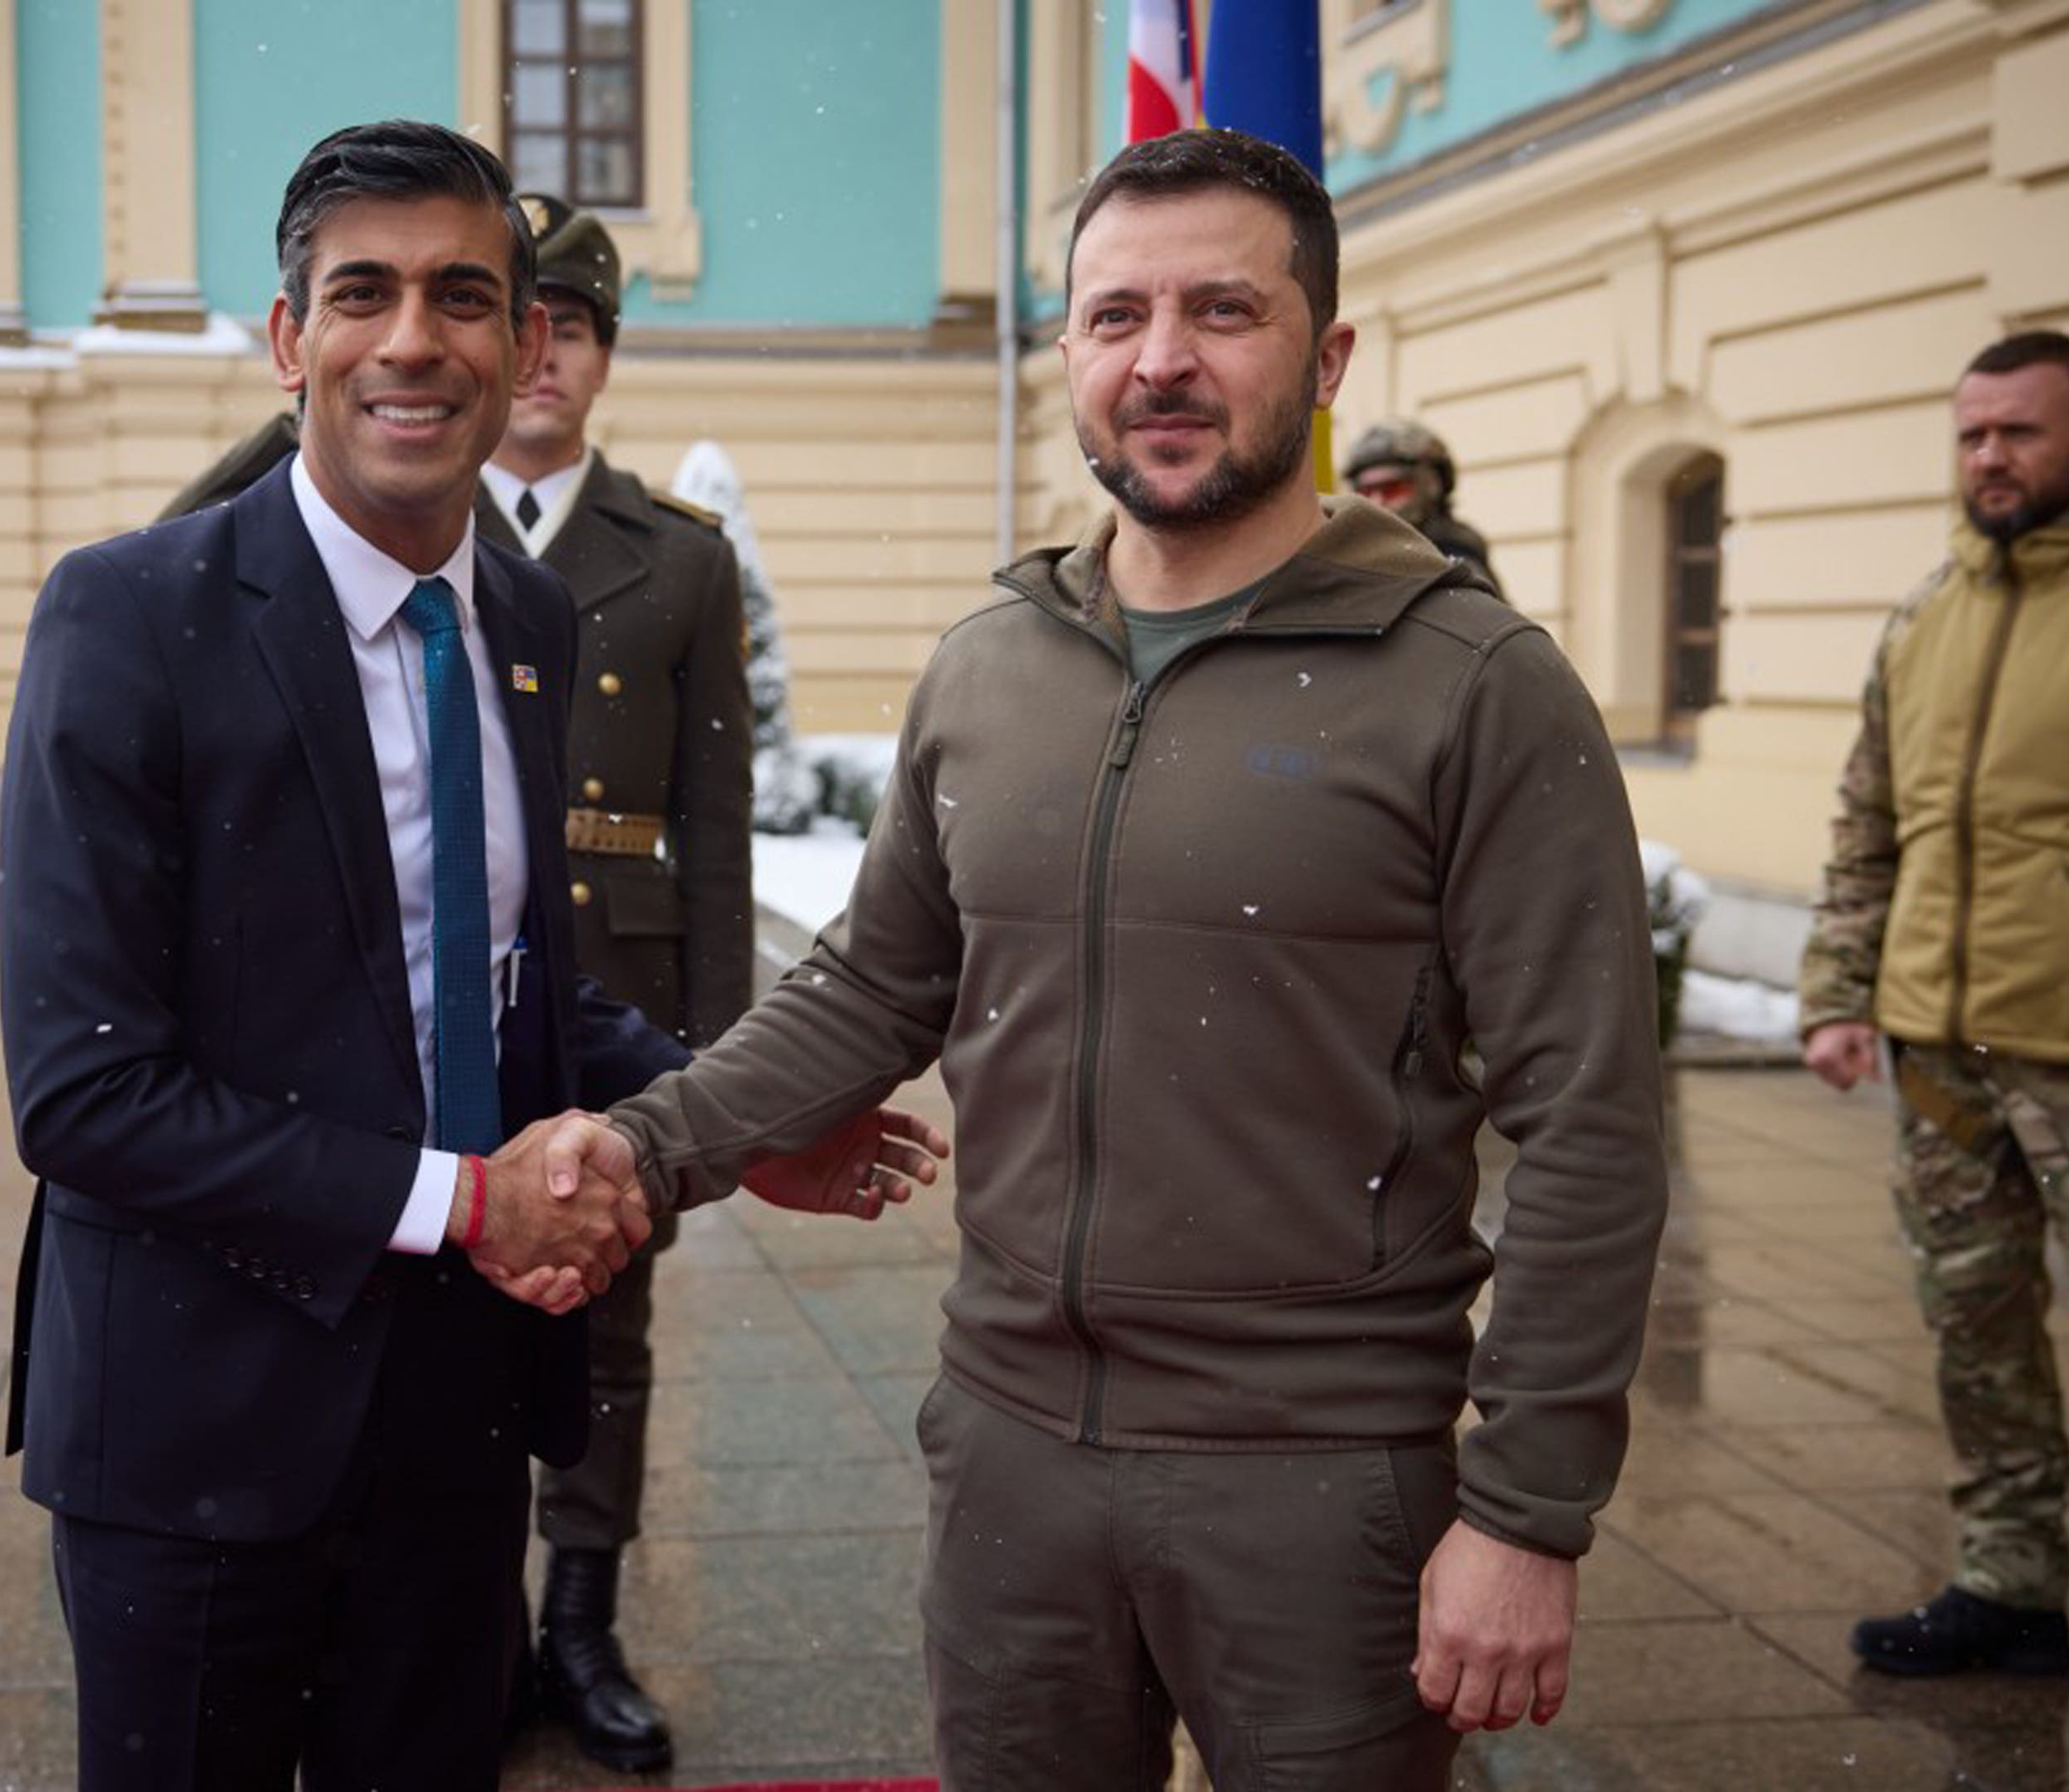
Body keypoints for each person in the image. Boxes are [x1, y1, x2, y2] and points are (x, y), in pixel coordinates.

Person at [580, 129, 1671, 1790]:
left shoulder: (1473, 684)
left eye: (1221, 310)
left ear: (1326, 353)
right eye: (1112, 316)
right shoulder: (990, 666)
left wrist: (1524, 1508)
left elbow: (1589, 1122)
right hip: (1009, 1460)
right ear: (1072, 349)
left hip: (1319, 1479)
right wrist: (639, 1146)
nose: (1159, 359)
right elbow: (873, 984)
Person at [0, 119, 938, 1792]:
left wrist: (736, 1124)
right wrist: (466, 1199)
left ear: (522, 343)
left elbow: (512, 974)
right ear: (291, 341)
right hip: (199, 1420)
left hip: (456, 1406)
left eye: (463, 295)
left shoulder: (521, 616)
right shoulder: (130, 612)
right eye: (362, 294)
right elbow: (87, 1093)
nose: (413, 339)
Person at [1798, 329, 2069, 1680]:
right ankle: (2010, 1583)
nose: (1990, 457)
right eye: (1972, 434)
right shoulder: (1928, 610)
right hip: (1944, 1044)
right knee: (1976, 1328)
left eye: (2020, 432)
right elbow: (1868, 817)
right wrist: (1838, 988)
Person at [472, 191, 753, 1772]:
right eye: (520, 325)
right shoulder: (400, 510)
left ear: (600, 356)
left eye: (568, 330)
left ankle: (578, 1620)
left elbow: (716, 827)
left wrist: (712, 1072)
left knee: (605, 1326)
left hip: (625, 994)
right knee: (444, 1307)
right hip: (456, 1000)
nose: (540, 359)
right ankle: (458, 1616)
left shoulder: (678, 560)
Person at [1341, 416, 1507, 598]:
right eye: (1366, 492)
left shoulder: (1456, 563)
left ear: (1432, 486)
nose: (1377, 503)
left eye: (1393, 489)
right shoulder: (1355, 557)